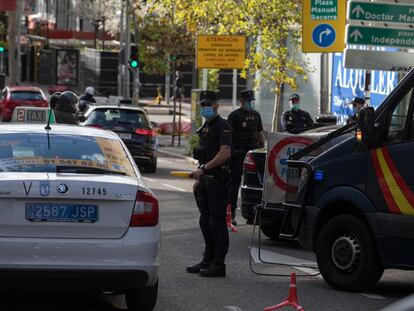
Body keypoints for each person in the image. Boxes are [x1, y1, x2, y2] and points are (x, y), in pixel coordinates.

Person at [186, 90, 232, 278]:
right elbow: (203, 155)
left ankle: (219, 264)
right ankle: (207, 260)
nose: (205, 108)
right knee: (205, 221)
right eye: (203, 105)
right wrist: (200, 176)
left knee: (216, 222)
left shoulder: (223, 126)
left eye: (208, 105)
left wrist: (203, 170)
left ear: (216, 106)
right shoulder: (205, 127)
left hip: (218, 181)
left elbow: (225, 153)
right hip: (205, 181)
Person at [227, 90, 264, 225]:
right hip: (238, 154)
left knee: (256, 183)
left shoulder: (256, 115)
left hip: (253, 153)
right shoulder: (234, 116)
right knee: (234, 183)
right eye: (247, 102)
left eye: (251, 102)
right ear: (241, 101)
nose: (249, 104)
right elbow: (229, 136)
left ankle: (255, 213)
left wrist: (262, 149)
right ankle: (231, 215)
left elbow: (260, 134)